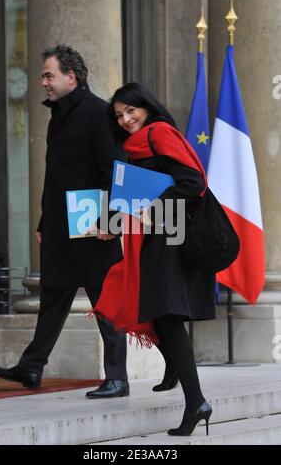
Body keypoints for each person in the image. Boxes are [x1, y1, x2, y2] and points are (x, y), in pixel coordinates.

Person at [0, 44, 129, 399]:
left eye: (48, 75)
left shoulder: (99, 113)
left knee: (107, 305)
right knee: (52, 300)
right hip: (61, 228)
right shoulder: (59, 114)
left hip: (94, 229)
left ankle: (118, 378)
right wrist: (43, 222)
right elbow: (58, 177)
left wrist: (110, 222)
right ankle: (31, 366)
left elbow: (113, 172)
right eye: (42, 76)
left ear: (72, 76)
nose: (43, 83)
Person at [92, 82, 215, 435]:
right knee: (160, 314)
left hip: (170, 239)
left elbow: (194, 182)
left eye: (131, 110)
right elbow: (141, 190)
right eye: (119, 115)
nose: (126, 119)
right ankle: (182, 379)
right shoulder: (137, 143)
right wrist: (112, 222)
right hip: (156, 237)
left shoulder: (158, 132)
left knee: (166, 315)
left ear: (146, 106)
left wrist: (154, 208)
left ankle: (196, 401)